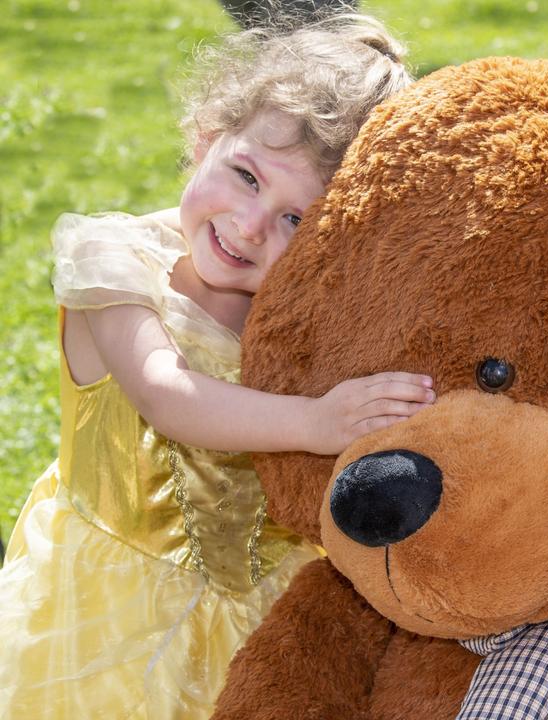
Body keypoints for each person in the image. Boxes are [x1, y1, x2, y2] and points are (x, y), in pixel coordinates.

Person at [0, 12, 417, 717]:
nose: (252, 226)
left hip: (267, 609)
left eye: (295, 220)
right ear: (205, 136)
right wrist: (318, 421)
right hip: (111, 615)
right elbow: (168, 395)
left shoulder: (301, 308)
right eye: (246, 176)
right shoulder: (118, 266)